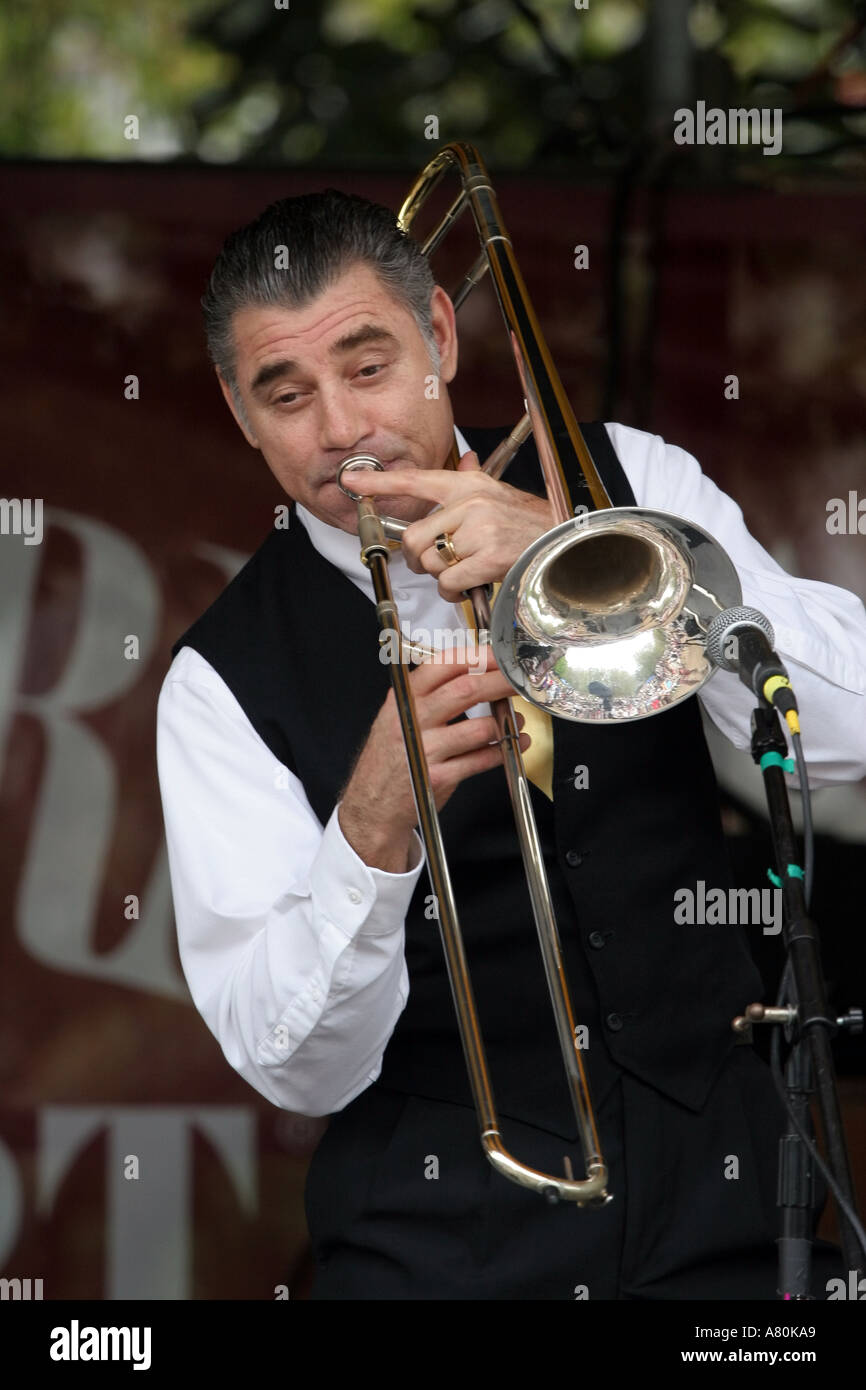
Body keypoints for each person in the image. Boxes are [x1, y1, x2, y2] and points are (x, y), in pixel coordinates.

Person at [156, 188, 866, 1301]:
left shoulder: (623, 478)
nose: (340, 431)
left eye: (368, 365)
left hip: (724, 1208)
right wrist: (370, 825)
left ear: (440, 336)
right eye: (285, 396)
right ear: (238, 413)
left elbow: (838, 732)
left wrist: (594, 548)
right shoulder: (217, 680)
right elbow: (291, 1064)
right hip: (440, 1244)